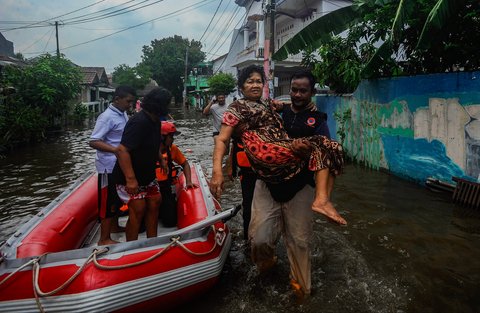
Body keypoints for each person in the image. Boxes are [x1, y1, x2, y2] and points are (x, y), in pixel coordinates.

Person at [210, 64, 347, 225]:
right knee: (324, 144)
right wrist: (217, 171)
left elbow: (284, 105)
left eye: (258, 81)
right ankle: (321, 200)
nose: (255, 85)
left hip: (276, 151)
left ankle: (322, 200)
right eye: (249, 81)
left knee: (333, 147)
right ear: (241, 87)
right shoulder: (236, 108)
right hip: (264, 150)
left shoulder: (267, 104)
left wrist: (304, 107)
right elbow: (222, 138)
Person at [251, 69, 334, 299]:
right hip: (268, 183)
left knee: (299, 241)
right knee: (259, 240)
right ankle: (268, 267)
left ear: (312, 92)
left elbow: (326, 154)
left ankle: (301, 289)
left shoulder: (318, 121)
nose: (297, 95)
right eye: (294, 90)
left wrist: (322, 193)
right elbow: (249, 113)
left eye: (303, 91)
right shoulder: (275, 112)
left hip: (300, 187)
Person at [112, 87, 171, 241]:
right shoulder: (139, 122)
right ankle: (130, 247)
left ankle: (152, 242)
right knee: (138, 209)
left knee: (155, 202)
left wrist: (160, 158)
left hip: (147, 175)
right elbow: (122, 150)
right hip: (128, 176)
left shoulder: (155, 121)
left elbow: (154, 142)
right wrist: (131, 179)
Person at [89, 85, 136, 246]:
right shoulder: (107, 117)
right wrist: (116, 150)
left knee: (115, 199)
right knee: (107, 201)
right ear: (117, 100)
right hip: (107, 166)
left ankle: (115, 228)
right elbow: (94, 141)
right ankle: (104, 239)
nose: (130, 104)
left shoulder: (122, 114)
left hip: (120, 164)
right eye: (128, 101)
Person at [156, 121, 195, 227]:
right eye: (171, 136)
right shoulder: (149, 150)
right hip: (152, 189)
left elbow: (185, 164)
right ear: (162, 137)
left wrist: (189, 181)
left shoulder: (172, 149)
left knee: (170, 222)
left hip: (165, 189)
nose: (173, 139)